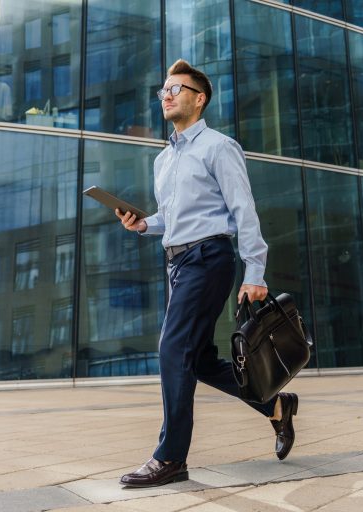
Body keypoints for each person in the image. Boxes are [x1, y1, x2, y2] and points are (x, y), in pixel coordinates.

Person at [115, 59, 299, 488]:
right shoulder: (163, 160)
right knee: (196, 359)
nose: (166, 94)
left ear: (199, 99)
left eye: (176, 88)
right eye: (162, 89)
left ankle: (170, 457)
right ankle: (276, 406)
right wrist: (145, 224)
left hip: (208, 258)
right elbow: (174, 215)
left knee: (171, 348)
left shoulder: (219, 146)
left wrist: (256, 271)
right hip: (176, 263)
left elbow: (242, 210)